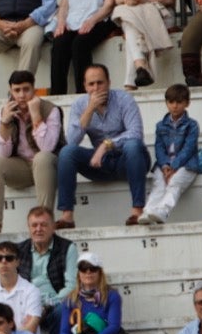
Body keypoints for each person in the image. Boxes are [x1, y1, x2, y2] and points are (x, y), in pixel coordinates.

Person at [55, 65, 147, 229]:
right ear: (85, 86)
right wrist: (89, 110)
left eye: (100, 83)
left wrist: (107, 145)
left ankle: (138, 211)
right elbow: (72, 141)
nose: (96, 88)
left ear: (109, 83)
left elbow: (136, 133)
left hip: (127, 160)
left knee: (133, 146)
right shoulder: (79, 105)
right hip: (101, 164)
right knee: (67, 152)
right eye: (91, 84)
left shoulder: (124, 99)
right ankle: (67, 216)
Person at [0, 72, 61, 233]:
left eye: (26, 90)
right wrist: (5, 123)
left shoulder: (51, 110)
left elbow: (47, 147)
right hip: (21, 167)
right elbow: (2, 154)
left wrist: (36, 115)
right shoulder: (4, 112)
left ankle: (44, 218)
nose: (21, 95)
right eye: (16, 90)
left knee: (42, 157)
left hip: (49, 166)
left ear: (34, 89)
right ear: (11, 91)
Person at [138, 84, 200, 225]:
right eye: (171, 102)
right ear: (166, 103)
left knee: (175, 183)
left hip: (186, 165)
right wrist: (165, 165)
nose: (175, 106)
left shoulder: (192, 125)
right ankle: (148, 211)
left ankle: (163, 211)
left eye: (179, 102)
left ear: (187, 103)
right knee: (158, 183)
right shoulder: (161, 125)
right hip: (164, 165)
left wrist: (174, 166)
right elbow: (159, 148)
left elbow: (188, 149)